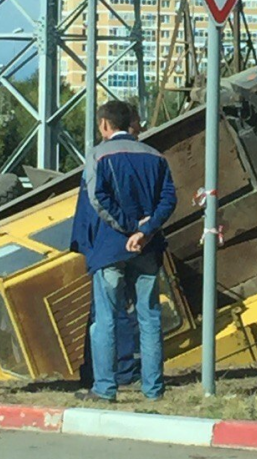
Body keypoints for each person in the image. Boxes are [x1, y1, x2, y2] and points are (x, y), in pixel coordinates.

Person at [79, 101, 176, 402]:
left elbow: (97, 199)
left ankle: (106, 388)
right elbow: (169, 199)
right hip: (147, 249)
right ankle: (153, 389)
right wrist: (145, 231)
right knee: (150, 317)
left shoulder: (97, 156)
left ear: (105, 125)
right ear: (130, 123)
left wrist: (129, 227)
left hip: (111, 248)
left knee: (106, 318)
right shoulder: (155, 156)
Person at [72, 106, 144, 390]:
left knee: (106, 312)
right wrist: (139, 229)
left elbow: (91, 203)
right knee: (126, 311)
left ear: (103, 125)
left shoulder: (96, 157)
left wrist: (86, 244)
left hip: (104, 244)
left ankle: (105, 375)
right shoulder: (147, 156)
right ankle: (123, 372)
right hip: (131, 243)